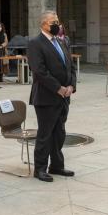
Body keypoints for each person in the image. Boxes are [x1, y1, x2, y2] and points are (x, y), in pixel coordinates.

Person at [27, 11, 76, 182]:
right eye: (52, 22)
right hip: (47, 97)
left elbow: (70, 66)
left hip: (64, 96)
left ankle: (57, 165)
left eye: (57, 21)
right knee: (45, 134)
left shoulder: (61, 42)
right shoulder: (35, 43)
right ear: (43, 24)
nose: (56, 24)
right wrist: (58, 88)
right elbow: (39, 71)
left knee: (59, 133)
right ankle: (39, 168)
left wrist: (71, 86)